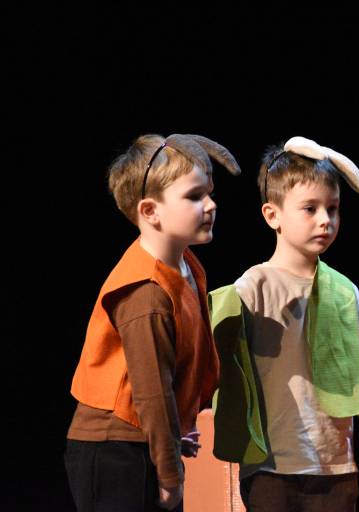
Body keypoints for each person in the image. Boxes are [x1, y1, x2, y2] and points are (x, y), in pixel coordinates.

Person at [209, 136, 359, 512]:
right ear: (273, 216)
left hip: (335, 468)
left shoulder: (343, 291)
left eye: (333, 209)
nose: (325, 220)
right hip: (271, 468)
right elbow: (217, 356)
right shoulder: (254, 287)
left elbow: (356, 378)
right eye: (310, 208)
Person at [65, 133, 242, 511]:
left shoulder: (186, 266)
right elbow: (152, 392)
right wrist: (169, 474)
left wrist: (173, 436)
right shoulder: (145, 292)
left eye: (210, 193)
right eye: (194, 196)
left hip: (142, 442)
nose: (211, 205)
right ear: (150, 211)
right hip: (115, 453)